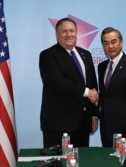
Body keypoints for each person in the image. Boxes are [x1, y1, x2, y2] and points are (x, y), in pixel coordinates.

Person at [39, 17, 99, 148]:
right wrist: (87, 92)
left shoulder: (86, 55)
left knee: (82, 161)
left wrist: (94, 114)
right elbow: (57, 82)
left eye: (72, 31)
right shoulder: (48, 55)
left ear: (77, 33)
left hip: (83, 124)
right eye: (64, 31)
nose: (69, 34)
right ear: (57, 34)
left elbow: (93, 84)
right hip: (58, 124)